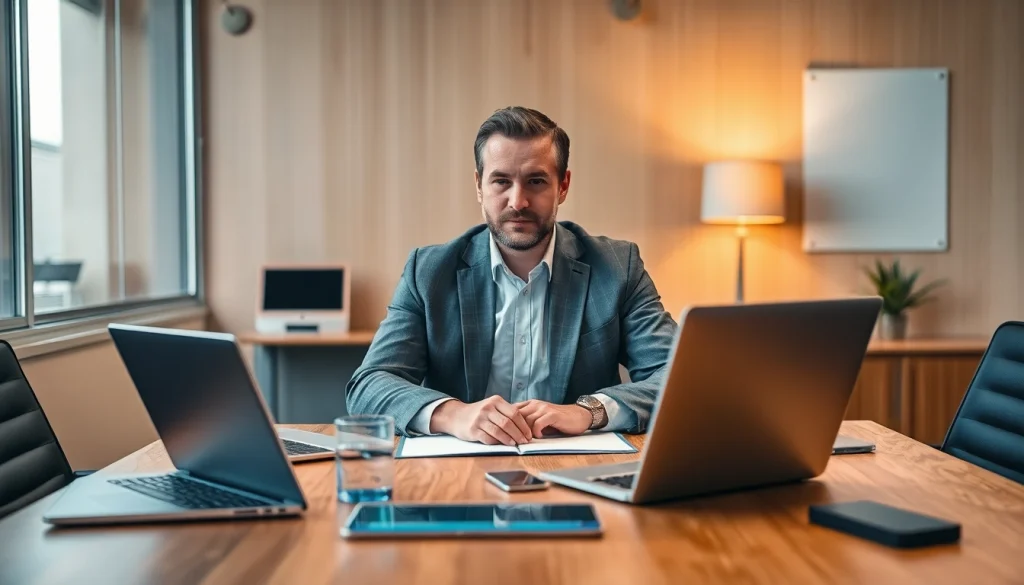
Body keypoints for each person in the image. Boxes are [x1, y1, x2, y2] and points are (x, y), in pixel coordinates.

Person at [346, 106, 677, 445]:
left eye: (536, 181)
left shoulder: (618, 266)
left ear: (563, 186)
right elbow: (369, 385)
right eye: (501, 181)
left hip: (578, 469)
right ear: (479, 185)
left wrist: (588, 412)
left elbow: (677, 377)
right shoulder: (429, 272)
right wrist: (454, 414)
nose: (518, 201)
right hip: (456, 478)